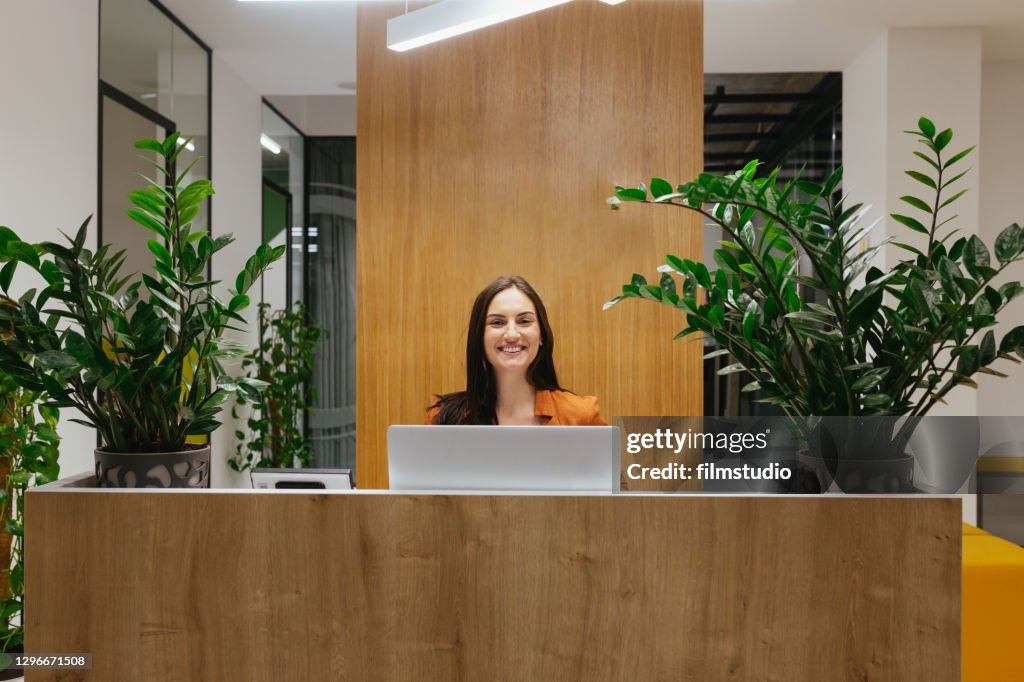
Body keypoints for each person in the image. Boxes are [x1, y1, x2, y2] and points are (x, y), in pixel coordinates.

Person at [427, 275, 607, 426]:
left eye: (524, 321)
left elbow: (611, 469)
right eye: (497, 322)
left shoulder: (581, 416)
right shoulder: (444, 419)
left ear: (541, 335)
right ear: (479, 337)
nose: (511, 334)